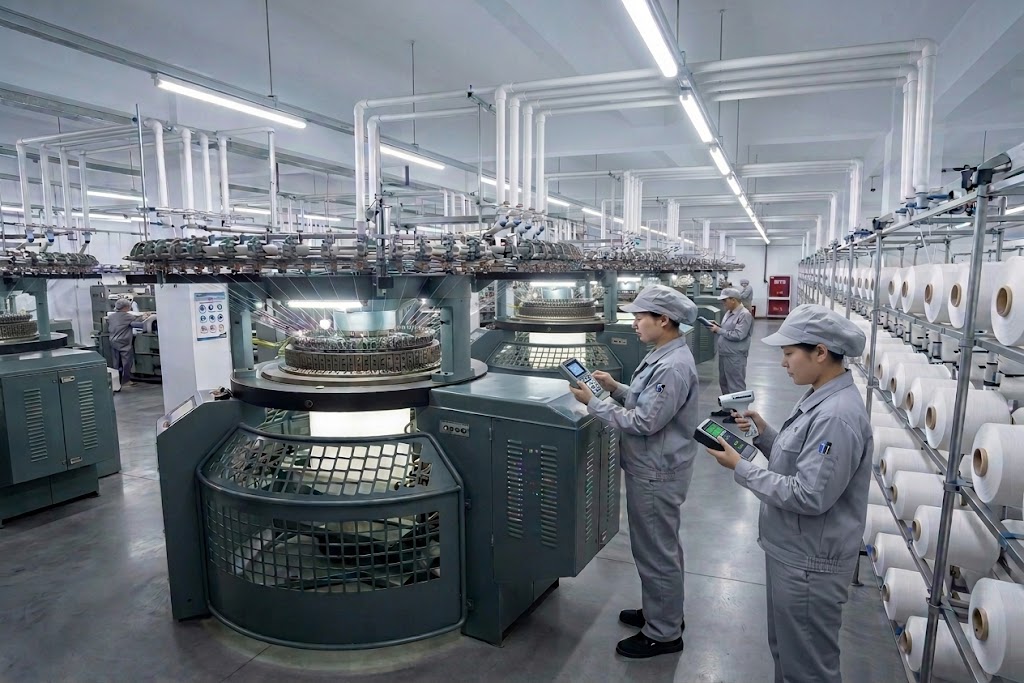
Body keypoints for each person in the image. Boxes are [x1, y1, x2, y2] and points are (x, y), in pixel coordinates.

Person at [703, 304, 872, 683]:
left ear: (821, 352)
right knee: (788, 656)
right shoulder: (821, 395)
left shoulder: (835, 415)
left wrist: (741, 467)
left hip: (810, 564)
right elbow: (804, 460)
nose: (783, 363)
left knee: (807, 669)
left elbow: (809, 494)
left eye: (789, 353)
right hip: (795, 552)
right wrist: (763, 432)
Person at [567, 284, 699, 659]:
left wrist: (595, 401)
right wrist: (615, 387)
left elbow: (644, 422)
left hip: (657, 470)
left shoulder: (672, 365)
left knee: (657, 551)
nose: (635, 323)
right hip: (654, 465)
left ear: (664, 320)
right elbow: (649, 402)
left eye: (641, 317)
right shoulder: (663, 354)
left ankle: (663, 632)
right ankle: (662, 611)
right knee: (656, 547)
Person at [710, 287, 753, 413]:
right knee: (724, 382)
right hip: (725, 353)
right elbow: (728, 330)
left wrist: (719, 330)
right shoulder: (729, 313)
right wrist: (718, 326)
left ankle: (739, 413)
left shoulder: (744, 315)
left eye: (725, 300)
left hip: (735, 355)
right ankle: (728, 408)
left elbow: (739, 335)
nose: (723, 303)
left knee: (736, 385)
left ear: (733, 300)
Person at [107, 299, 147, 390]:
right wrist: (144, 316)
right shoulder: (127, 316)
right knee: (126, 362)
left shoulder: (111, 316)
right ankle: (126, 381)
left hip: (113, 341)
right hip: (123, 342)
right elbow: (138, 323)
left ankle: (116, 381)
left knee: (116, 363)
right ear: (125, 307)